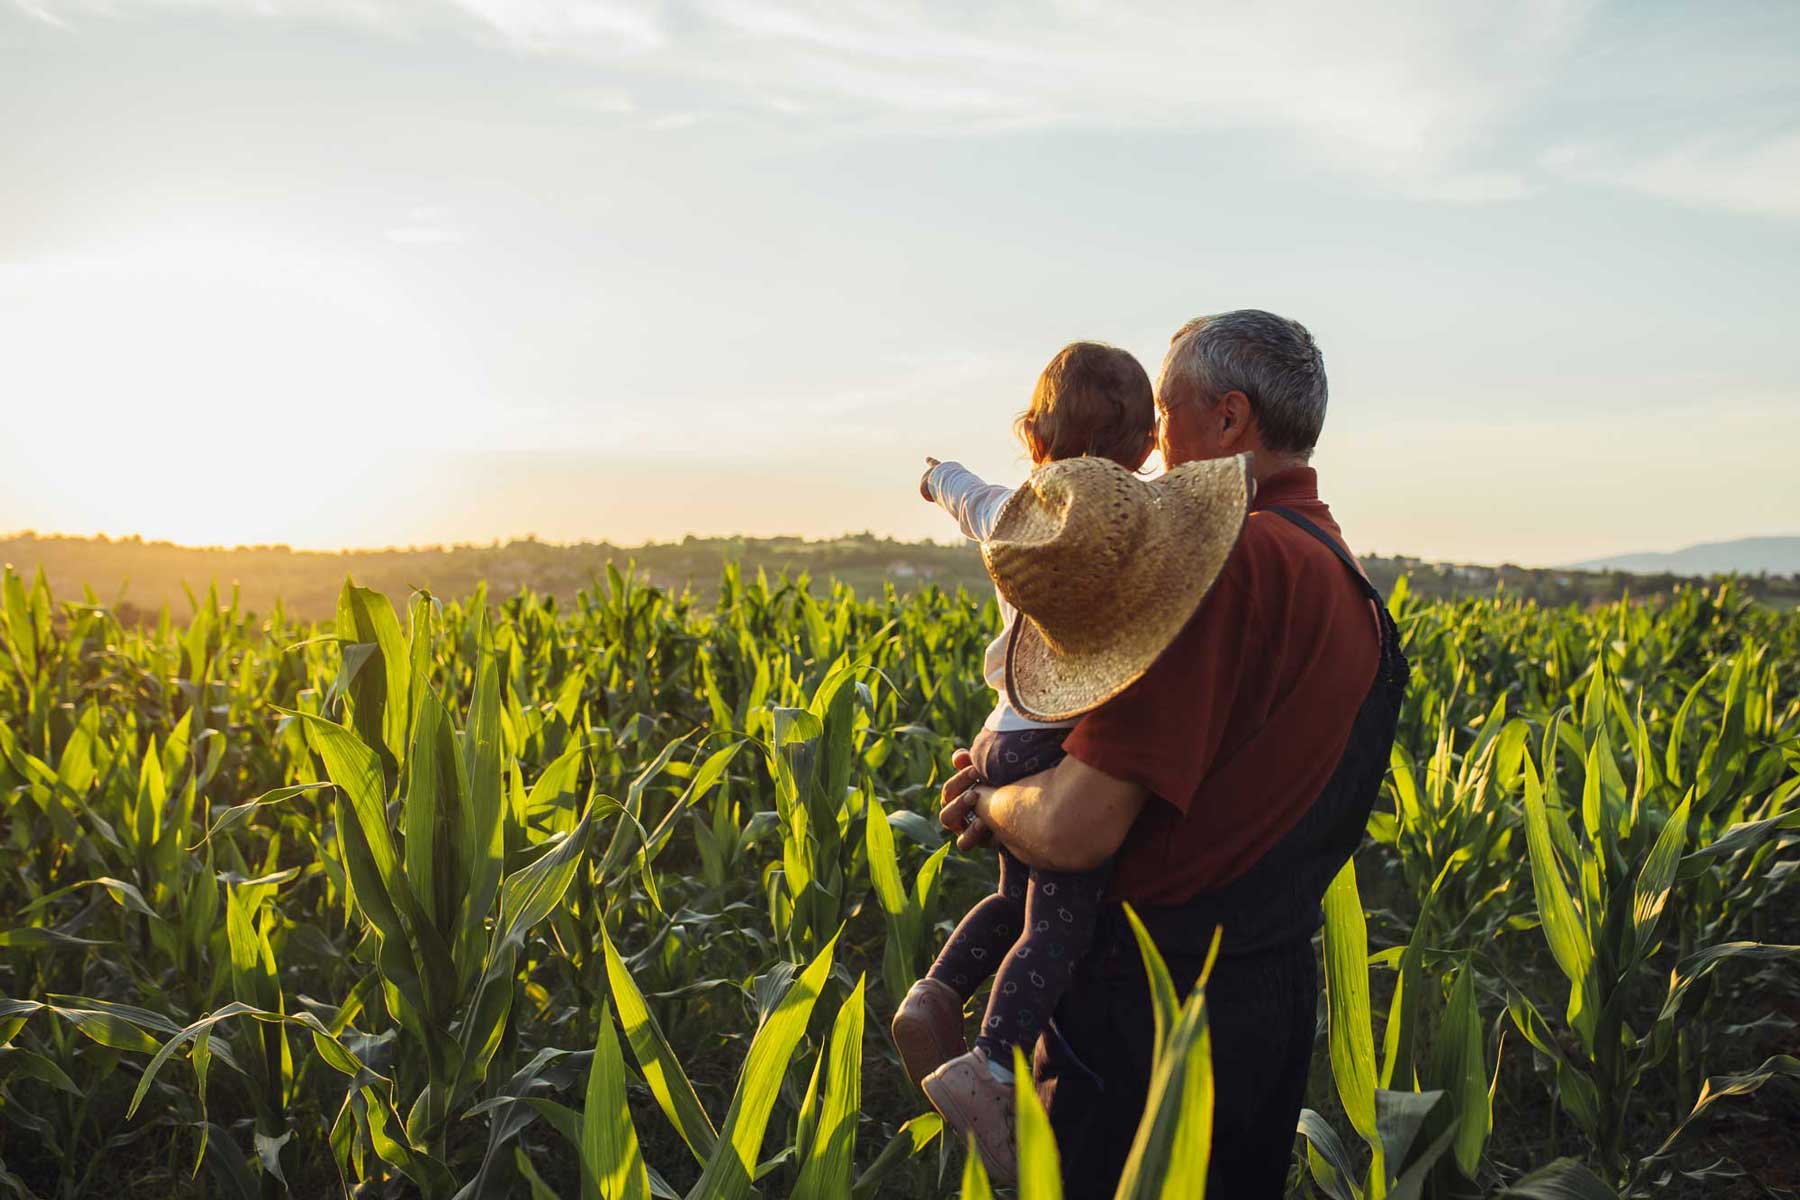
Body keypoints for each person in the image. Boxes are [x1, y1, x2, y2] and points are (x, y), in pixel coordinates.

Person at [936, 310, 1409, 1197]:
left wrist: (991, 805)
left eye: (1166, 411)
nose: (1152, 443)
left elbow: (1076, 828)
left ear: (1228, 420)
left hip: (1149, 1013)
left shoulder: (1225, 563)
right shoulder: (1337, 569)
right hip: (1263, 998)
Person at [893, 343, 1163, 1183]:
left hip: (1001, 733)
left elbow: (965, 495)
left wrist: (939, 477)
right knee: (1060, 919)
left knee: (1012, 902)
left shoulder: (1011, 512)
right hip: (1060, 735)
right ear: (1150, 448)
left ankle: (933, 995)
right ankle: (991, 1063)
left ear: (1036, 440)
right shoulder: (1133, 531)